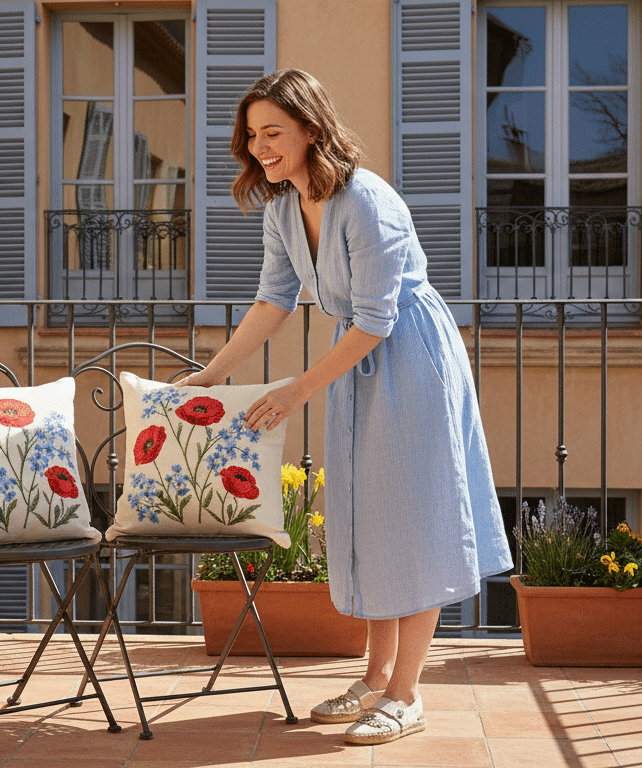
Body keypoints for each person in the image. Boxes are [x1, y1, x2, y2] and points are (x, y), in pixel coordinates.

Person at [179, 69, 513, 745]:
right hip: (355, 359)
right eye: (252, 134)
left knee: (415, 522)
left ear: (311, 129)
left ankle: (406, 694)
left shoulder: (367, 201)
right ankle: (375, 679)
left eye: (274, 132)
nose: (261, 146)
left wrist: (298, 389)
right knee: (369, 518)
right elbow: (273, 300)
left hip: (410, 357)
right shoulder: (283, 209)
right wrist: (212, 374)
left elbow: (378, 320)